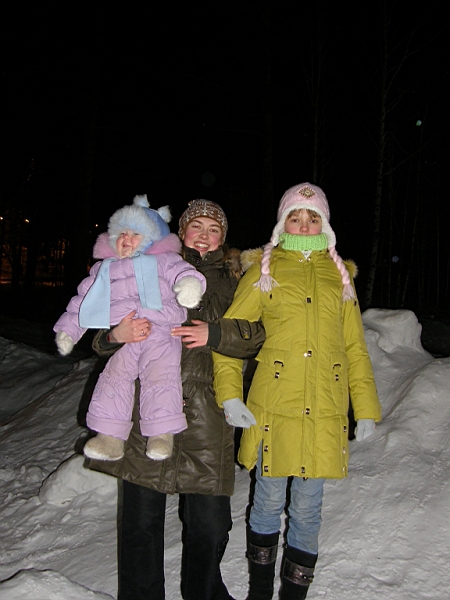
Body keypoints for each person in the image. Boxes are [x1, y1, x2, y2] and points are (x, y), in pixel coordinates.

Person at [88, 198, 265, 600]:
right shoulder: (146, 263)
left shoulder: (239, 280)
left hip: (208, 415)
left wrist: (215, 334)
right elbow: (98, 331)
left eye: (214, 229)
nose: (204, 235)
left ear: (223, 238)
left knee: (210, 525)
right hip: (146, 411)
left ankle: (203, 594)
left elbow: (258, 336)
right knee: (140, 524)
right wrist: (115, 335)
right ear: (181, 231)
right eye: (196, 226)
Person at [212, 183, 382, 600]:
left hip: (324, 411)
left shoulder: (340, 277)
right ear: (282, 223)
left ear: (325, 225)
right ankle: (259, 593)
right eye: (295, 217)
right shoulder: (263, 271)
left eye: (312, 218)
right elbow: (230, 338)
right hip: (275, 409)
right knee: (267, 504)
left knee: (308, 511)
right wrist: (230, 395)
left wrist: (365, 408)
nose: (304, 226)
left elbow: (355, 348)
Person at [54, 195, 206, 462]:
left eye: (135, 233)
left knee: (161, 377)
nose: (127, 238)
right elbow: (83, 301)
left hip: (161, 331)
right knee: (114, 377)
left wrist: (190, 286)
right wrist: (68, 330)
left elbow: (184, 272)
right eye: (122, 233)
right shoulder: (104, 269)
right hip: (125, 333)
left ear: (152, 239)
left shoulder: (164, 260)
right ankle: (109, 437)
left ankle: (161, 434)